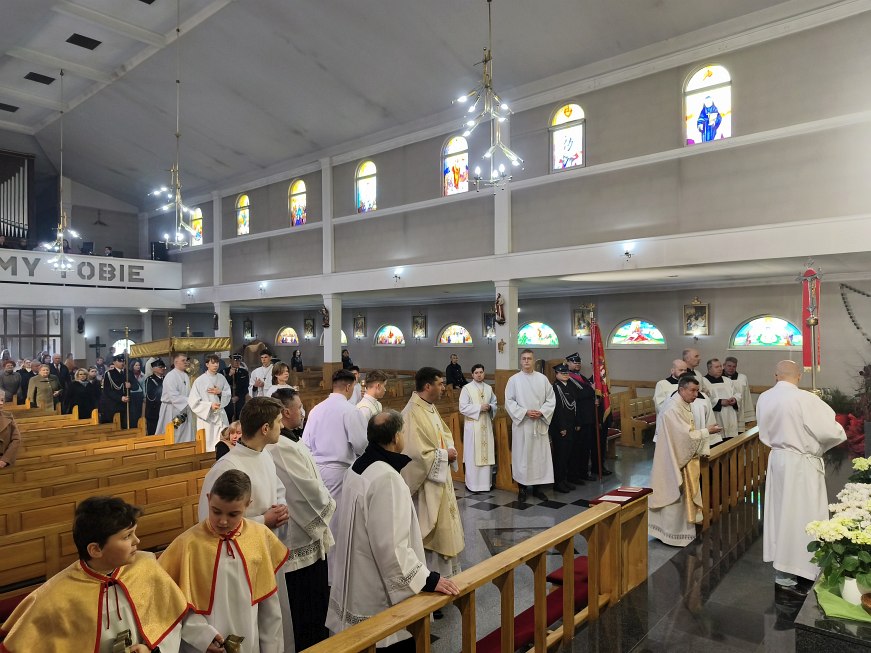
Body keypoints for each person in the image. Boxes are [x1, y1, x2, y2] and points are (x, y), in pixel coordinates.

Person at [326, 410, 460, 649]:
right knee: (386, 641)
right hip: (377, 592)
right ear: (396, 437)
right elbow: (391, 547)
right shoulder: (386, 478)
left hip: (357, 576)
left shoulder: (357, 466)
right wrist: (427, 579)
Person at [0, 496, 190, 652]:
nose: (137, 541)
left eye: (134, 532)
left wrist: (153, 649)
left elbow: (168, 620)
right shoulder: (55, 597)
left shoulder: (146, 566)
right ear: (96, 550)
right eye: (127, 536)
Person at [198, 397, 294, 649]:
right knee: (248, 628)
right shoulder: (226, 467)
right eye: (278, 422)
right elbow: (208, 524)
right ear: (265, 428)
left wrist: (281, 508)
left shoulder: (264, 456)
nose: (281, 426)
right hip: (235, 562)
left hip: (264, 550)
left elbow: (277, 490)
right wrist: (264, 520)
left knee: (271, 622)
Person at [160, 469, 288, 653]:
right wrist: (202, 637)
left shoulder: (260, 537)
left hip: (249, 639)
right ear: (208, 498)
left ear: (248, 505)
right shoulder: (188, 544)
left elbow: (269, 605)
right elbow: (172, 602)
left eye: (233, 514)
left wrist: (272, 649)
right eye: (216, 511)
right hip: (204, 644)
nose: (222, 521)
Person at [757, 360, 846, 595]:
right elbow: (830, 431)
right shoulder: (805, 399)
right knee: (802, 514)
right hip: (801, 465)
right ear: (798, 376)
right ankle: (803, 567)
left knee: (781, 513)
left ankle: (783, 569)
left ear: (776, 375)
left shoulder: (764, 397)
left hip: (778, 460)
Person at [269, 387, 334, 650]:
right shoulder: (280, 447)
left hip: (307, 532)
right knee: (306, 604)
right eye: (299, 407)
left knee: (317, 599)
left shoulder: (291, 440)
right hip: (299, 535)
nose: (303, 412)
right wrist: (329, 504)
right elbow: (302, 490)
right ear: (286, 412)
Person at [400, 366, 465, 603]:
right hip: (426, 485)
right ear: (427, 386)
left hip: (440, 480)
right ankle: (430, 583)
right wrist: (444, 455)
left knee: (443, 529)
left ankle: (445, 580)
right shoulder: (411, 413)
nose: (443, 387)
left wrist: (449, 449)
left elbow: (443, 435)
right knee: (430, 533)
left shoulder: (429, 406)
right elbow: (414, 455)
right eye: (440, 383)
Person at [648, 375, 721, 547]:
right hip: (672, 459)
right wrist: (706, 431)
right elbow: (684, 437)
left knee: (679, 496)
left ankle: (675, 531)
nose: (696, 394)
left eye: (697, 390)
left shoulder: (682, 403)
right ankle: (672, 533)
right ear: (681, 389)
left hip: (676, 456)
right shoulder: (673, 408)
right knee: (673, 493)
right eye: (692, 391)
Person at [301, 369, 368, 539]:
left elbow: (305, 443)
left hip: (316, 470)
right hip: (339, 472)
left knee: (321, 516)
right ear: (348, 387)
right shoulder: (351, 411)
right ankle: (335, 556)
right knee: (337, 522)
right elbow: (361, 445)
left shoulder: (316, 409)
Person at [505, 349, 556, 502]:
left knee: (539, 457)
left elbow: (551, 399)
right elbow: (509, 402)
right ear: (520, 361)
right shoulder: (514, 380)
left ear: (534, 361)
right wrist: (525, 412)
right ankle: (522, 489)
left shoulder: (542, 379)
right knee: (523, 457)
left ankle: (537, 489)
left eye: (529, 358)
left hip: (539, 423)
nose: (526, 361)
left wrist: (542, 412)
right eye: (524, 358)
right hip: (523, 424)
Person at [565, 352, 606, 480]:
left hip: (589, 417)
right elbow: (576, 395)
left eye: (579, 362)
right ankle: (576, 474)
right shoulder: (568, 378)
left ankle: (583, 472)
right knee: (578, 448)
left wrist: (595, 398)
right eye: (574, 362)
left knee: (586, 447)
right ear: (568, 363)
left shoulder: (581, 377)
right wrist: (592, 390)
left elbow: (586, 391)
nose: (577, 364)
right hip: (579, 418)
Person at [458, 363, 497, 492]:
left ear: (484, 373)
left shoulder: (488, 388)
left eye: (481, 372)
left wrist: (490, 407)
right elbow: (462, 407)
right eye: (476, 373)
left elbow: (494, 403)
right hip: (473, 427)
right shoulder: (467, 389)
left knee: (486, 454)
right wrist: (479, 408)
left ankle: (486, 484)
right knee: (473, 455)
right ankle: (472, 485)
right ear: (472, 374)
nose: (479, 375)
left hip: (486, 424)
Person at [189, 353, 231, 452]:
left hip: (220, 415)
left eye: (217, 363)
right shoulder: (199, 381)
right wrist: (209, 406)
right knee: (208, 443)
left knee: (223, 442)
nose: (216, 365)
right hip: (207, 418)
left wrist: (220, 393)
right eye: (213, 363)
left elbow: (228, 394)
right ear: (207, 364)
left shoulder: (221, 378)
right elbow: (193, 401)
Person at [550, 364, 580, 493]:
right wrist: (562, 427)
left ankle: (564, 480)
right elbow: (557, 409)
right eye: (562, 373)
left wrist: (577, 422)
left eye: (567, 373)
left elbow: (574, 405)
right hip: (560, 427)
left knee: (568, 454)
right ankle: (558, 482)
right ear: (556, 374)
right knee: (560, 456)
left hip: (570, 425)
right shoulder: (555, 388)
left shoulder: (570, 386)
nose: (566, 375)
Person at [156, 353, 193, 442]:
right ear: (176, 362)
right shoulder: (171, 376)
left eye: (186, 360)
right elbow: (173, 396)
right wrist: (190, 401)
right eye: (183, 360)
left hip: (184, 409)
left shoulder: (185, 375)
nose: (186, 362)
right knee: (173, 434)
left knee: (184, 435)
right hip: (171, 409)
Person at [703, 358, 741, 439]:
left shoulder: (728, 380)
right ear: (709, 368)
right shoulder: (704, 381)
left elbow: (737, 393)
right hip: (716, 415)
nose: (720, 369)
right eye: (717, 367)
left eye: (720, 366)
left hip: (730, 415)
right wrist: (719, 402)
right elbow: (704, 399)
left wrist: (735, 399)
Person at [723, 356, 755, 432]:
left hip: (739, 410)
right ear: (724, 365)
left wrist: (748, 416)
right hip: (724, 410)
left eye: (734, 366)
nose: (731, 368)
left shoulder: (742, 378)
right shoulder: (719, 378)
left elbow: (747, 397)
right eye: (729, 366)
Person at [100, 354, 132, 427]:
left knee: (125, 425)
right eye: (120, 361)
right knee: (115, 425)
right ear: (114, 362)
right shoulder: (109, 374)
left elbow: (135, 385)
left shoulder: (127, 372)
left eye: (123, 361)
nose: (122, 363)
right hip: (114, 404)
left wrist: (130, 386)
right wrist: (120, 398)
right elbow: (108, 391)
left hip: (126, 404)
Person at [222, 353, 249, 422]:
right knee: (227, 418)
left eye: (239, 360)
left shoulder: (244, 372)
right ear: (230, 361)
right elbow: (223, 385)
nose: (237, 362)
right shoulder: (224, 371)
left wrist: (238, 396)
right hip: (227, 400)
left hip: (239, 400)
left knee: (239, 418)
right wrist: (230, 375)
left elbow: (245, 387)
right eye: (235, 360)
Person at [144, 359, 167, 435]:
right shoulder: (150, 380)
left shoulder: (166, 379)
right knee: (153, 432)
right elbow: (150, 397)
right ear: (154, 369)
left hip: (164, 409)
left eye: (164, 367)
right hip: (153, 411)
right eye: (160, 367)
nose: (163, 369)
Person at [0, 397, 22, 469]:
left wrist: (5, 459)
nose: (1, 403)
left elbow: (16, 439)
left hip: (4, 462)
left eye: (2, 400)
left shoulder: (8, 416)